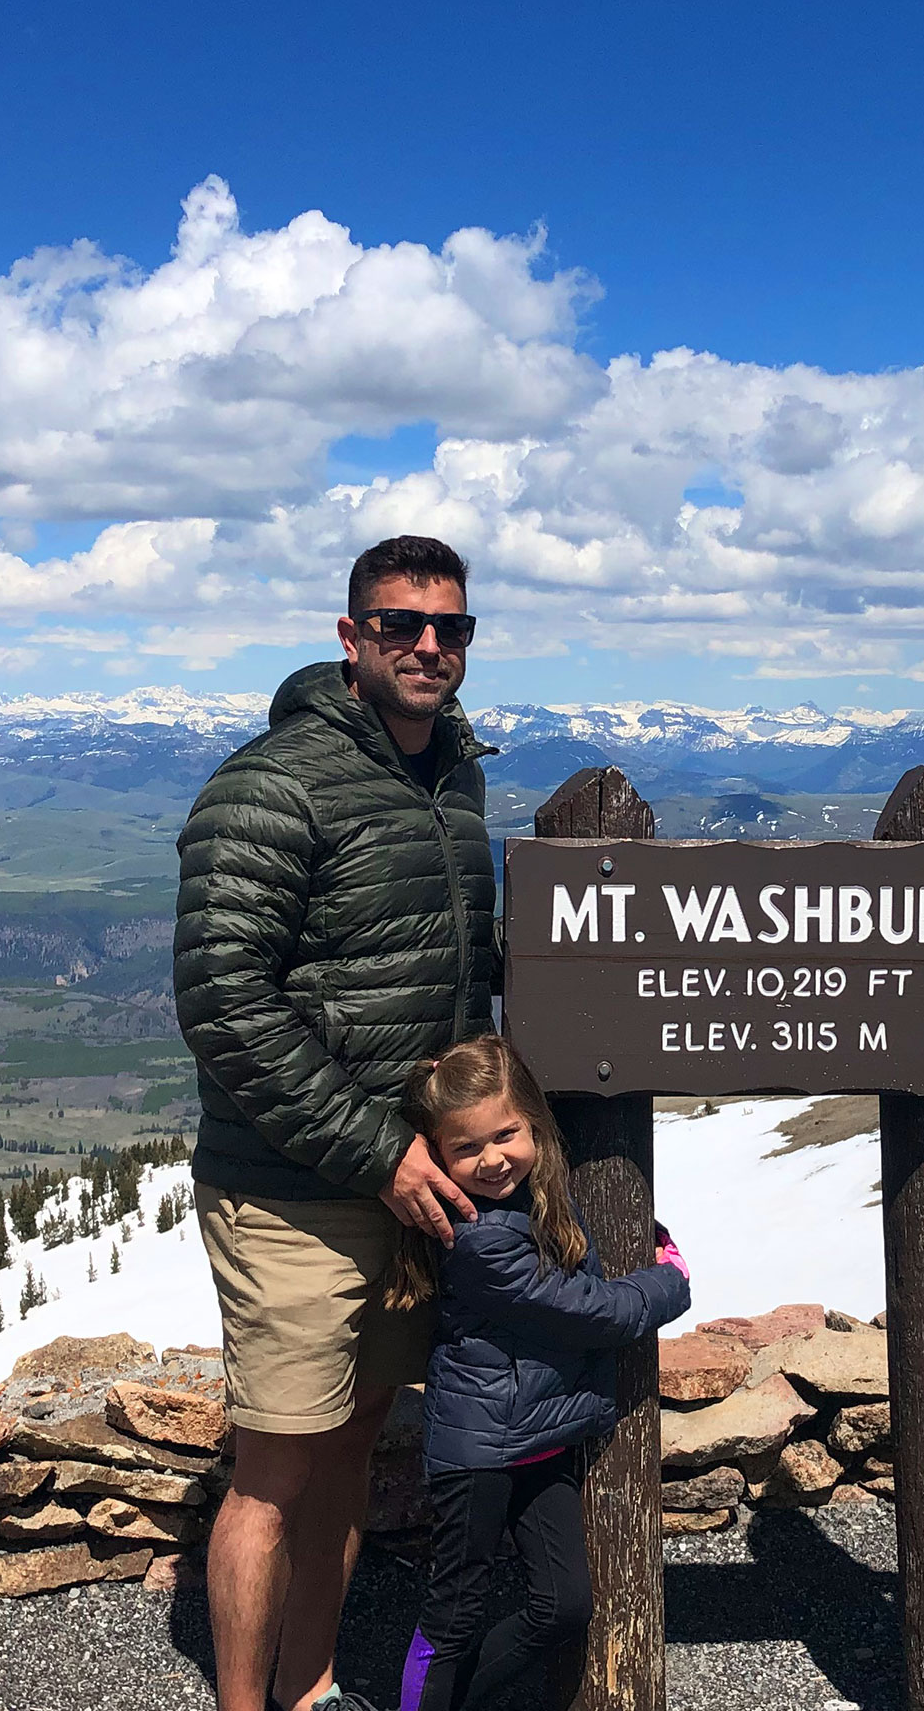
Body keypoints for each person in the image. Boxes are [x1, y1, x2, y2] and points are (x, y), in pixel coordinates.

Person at [175, 534, 499, 1711]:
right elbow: (222, 998)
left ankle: (308, 1688)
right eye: (400, 623)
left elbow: (456, 969)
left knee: (354, 1453)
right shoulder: (274, 781)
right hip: (297, 1191)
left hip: (415, 1186)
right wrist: (379, 1151)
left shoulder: (451, 778)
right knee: (273, 1471)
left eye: (449, 627)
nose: (427, 645)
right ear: (349, 635)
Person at [384, 1037, 690, 1711]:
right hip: (480, 1452)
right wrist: (671, 1281)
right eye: (466, 1149)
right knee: (455, 1613)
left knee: (564, 1607)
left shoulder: (535, 1195)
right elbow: (586, 1311)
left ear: (534, 1127)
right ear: (437, 1156)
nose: (492, 1159)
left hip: (536, 1438)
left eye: (506, 1134)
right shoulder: (480, 1237)